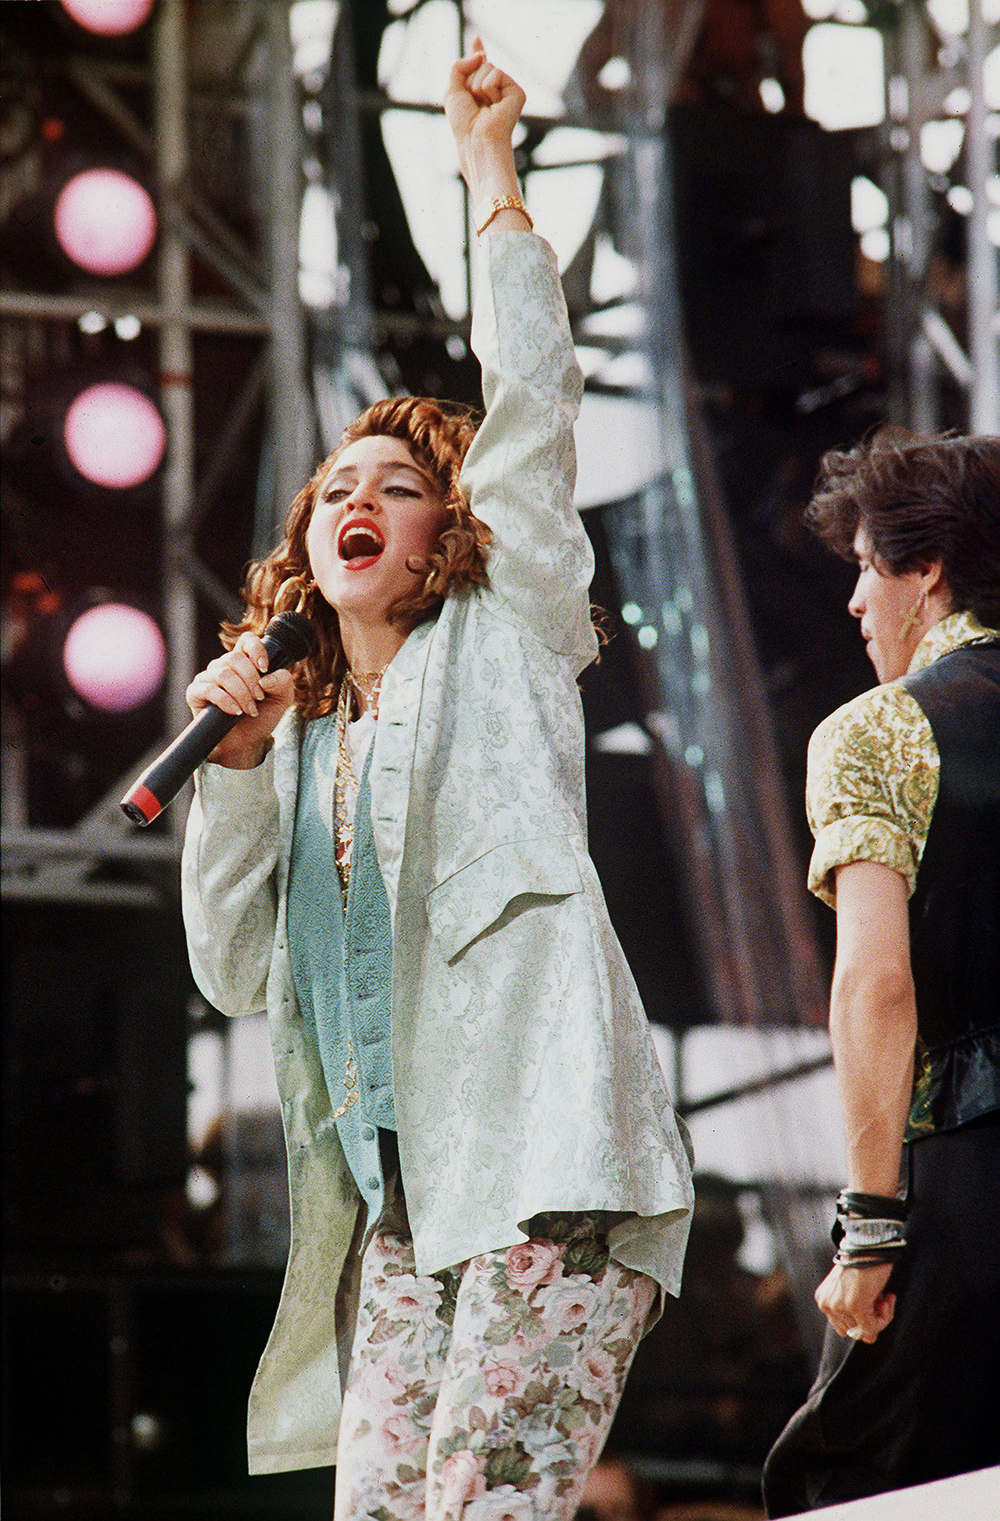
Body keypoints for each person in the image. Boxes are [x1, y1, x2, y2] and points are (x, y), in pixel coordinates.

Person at [181, 41, 693, 1521]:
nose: (358, 498)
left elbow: (528, 406)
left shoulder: (508, 632)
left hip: (548, 1167)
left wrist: (489, 172)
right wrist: (234, 767)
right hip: (403, 1217)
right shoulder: (300, 742)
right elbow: (229, 975)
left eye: (397, 488)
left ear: (445, 540)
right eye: (335, 486)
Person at [762, 430, 1000, 1513]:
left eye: (866, 564)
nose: (856, 601)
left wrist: (870, 1226)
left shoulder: (884, 731)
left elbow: (874, 988)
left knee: (851, 1481)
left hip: (968, 1171)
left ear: (928, 570)